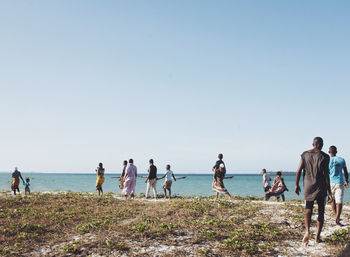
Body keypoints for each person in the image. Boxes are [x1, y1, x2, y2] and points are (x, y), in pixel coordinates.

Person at [295, 137, 332, 245]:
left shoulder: (305, 154)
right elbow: (326, 175)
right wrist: (329, 192)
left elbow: (298, 171)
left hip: (308, 186)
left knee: (308, 209)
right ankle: (317, 237)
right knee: (321, 211)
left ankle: (307, 231)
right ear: (321, 144)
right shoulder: (325, 156)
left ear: (313, 144)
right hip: (321, 186)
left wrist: (296, 185)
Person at [329, 145, 349, 226]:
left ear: (329, 152)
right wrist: (347, 180)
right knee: (339, 201)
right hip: (339, 182)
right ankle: (337, 218)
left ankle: (335, 215)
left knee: (332, 200)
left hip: (330, 182)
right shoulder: (341, 160)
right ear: (336, 151)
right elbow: (346, 171)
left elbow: (325, 173)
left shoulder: (327, 160)